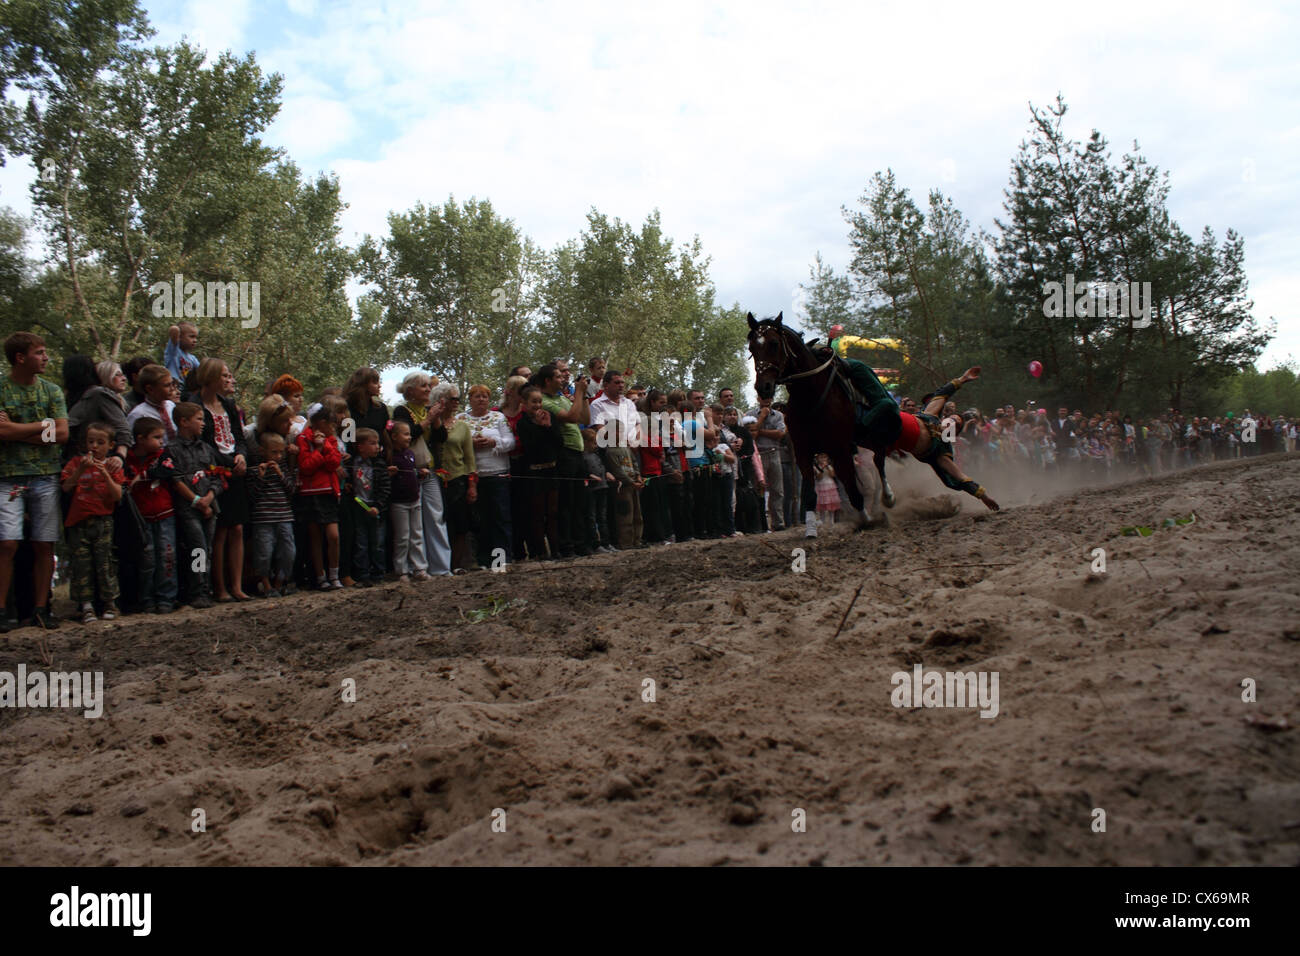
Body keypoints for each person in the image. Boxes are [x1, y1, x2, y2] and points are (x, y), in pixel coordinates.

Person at [0, 333, 68, 630]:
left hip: (46, 476)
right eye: (39, 352)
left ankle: (42, 608)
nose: (46, 357)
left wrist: (14, 428)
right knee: (7, 544)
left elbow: (63, 434)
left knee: (45, 543)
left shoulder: (51, 391)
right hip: (7, 478)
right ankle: (2, 610)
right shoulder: (1, 388)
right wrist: (42, 429)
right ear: (20, 357)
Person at [193, 358, 250, 601]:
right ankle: (219, 587)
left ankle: (236, 586)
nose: (230, 380)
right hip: (211, 475)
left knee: (237, 527)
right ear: (212, 377)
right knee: (219, 531)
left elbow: (239, 435)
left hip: (235, 471)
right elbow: (201, 442)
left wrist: (241, 456)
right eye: (225, 376)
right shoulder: (193, 403)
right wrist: (226, 463)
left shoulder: (228, 404)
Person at [61, 421, 124, 622]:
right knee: (82, 565)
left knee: (105, 562)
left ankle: (109, 603)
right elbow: (66, 487)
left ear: (110, 445)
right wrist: (80, 470)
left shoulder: (113, 466)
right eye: (90, 442)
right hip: (79, 521)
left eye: (100, 442)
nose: (94, 446)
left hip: (103, 521)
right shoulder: (74, 464)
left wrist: (104, 472)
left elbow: (117, 495)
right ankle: (86, 605)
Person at [393, 372, 452, 576]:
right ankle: (415, 568)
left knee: (436, 518)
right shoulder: (402, 411)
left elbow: (442, 437)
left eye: (429, 386)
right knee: (413, 525)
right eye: (423, 386)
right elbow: (408, 436)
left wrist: (435, 419)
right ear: (410, 391)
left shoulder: (429, 410)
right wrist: (428, 420)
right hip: (410, 472)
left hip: (431, 470)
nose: (428, 389)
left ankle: (442, 568)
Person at [534, 363, 590, 557]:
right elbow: (572, 417)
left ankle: (581, 544)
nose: (562, 379)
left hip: (578, 452)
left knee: (579, 502)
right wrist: (580, 393)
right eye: (558, 377)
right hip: (563, 453)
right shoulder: (544, 401)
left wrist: (584, 395)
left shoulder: (562, 397)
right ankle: (566, 546)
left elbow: (584, 417)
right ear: (547, 380)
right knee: (565, 504)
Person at [168, 402, 221, 609]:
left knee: (207, 547)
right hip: (189, 510)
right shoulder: (172, 450)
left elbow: (217, 475)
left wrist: (210, 496)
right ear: (183, 422)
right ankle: (196, 590)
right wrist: (197, 501)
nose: (203, 424)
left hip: (210, 507)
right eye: (199, 419)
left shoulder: (206, 448)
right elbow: (176, 480)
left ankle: (206, 587)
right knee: (197, 549)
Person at [124, 417, 179, 613]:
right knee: (147, 559)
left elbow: (167, 470)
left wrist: (144, 476)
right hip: (142, 517)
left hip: (165, 513)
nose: (161, 441)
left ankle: (167, 597)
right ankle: (146, 598)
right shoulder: (126, 459)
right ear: (140, 439)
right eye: (156, 437)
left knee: (168, 556)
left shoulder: (163, 454)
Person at [459, 384, 514, 568]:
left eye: (484, 396)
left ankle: (501, 561)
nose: (481, 399)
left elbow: (510, 442)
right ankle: (482, 560)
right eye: (477, 396)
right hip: (472, 476)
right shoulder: (461, 419)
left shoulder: (498, 417)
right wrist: (470, 444)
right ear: (470, 399)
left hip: (497, 475)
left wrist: (493, 442)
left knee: (500, 518)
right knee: (479, 520)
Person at [296, 404, 343, 589]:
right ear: (323, 423)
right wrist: (317, 450)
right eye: (332, 423)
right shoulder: (303, 438)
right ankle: (320, 576)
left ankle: (334, 574)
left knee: (333, 536)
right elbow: (306, 467)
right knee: (315, 537)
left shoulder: (331, 439)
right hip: (310, 493)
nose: (334, 428)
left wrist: (323, 448)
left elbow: (334, 463)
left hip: (329, 492)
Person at [516, 384, 565, 559]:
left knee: (553, 512)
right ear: (525, 403)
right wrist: (539, 427)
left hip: (552, 470)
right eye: (533, 402)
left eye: (539, 401)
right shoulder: (523, 423)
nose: (537, 405)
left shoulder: (549, 417)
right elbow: (532, 448)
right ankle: (540, 551)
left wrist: (548, 426)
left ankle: (556, 549)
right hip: (534, 473)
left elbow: (559, 443)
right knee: (537, 514)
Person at [248, 430, 297, 597]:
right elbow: (251, 496)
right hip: (263, 517)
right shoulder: (255, 470)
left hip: (284, 515)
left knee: (288, 551)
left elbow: (292, 490)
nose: (278, 456)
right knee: (264, 552)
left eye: (281, 452)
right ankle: (266, 584)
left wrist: (281, 474)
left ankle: (280, 582)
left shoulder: (283, 469)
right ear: (263, 451)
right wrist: (260, 477)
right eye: (274, 452)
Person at [345, 427, 389, 586]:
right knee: (361, 542)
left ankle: (378, 573)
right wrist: (348, 485)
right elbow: (348, 482)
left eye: (377, 443)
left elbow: (385, 487)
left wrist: (378, 505)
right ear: (360, 446)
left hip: (376, 509)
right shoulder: (351, 463)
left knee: (377, 542)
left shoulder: (379, 464)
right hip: (359, 506)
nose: (377, 446)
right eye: (372, 443)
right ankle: (362, 574)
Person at [65, 357, 131, 462]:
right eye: (117, 375)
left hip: (103, 463)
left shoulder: (98, 395)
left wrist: (120, 456)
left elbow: (122, 428)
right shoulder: (77, 398)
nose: (124, 378)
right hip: (79, 464)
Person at [387, 421, 428, 581]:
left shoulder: (410, 454)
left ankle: (419, 568)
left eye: (410, 434)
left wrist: (420, 474)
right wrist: (388, 473)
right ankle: (401, 570)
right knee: (402, 537)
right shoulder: (390, 456)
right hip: (399, 503)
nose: (409, 437)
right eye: (405, 434)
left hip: (414, 499)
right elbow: (385, 478)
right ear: (394, 436)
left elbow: (411, 475)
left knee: (417, 535)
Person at [745, 396, 786, 531]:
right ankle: (760, 524)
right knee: (759, 489)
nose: (766, 400)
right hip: (758, 454)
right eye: (763, 397)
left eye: (768, 397)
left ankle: (778, 523)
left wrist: (759, 430)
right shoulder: (750, 414)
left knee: (777, 491)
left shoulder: (779, 415)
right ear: (757, 398)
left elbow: (780, 433)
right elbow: (751, 435)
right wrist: (762, 417)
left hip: (774, 452)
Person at [126, 364, 177, 444]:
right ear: (150, 389)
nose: (172, 389)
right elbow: (132, 442)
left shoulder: (171, 405)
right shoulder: (138, 415)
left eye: (172, 384)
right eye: (167, 385)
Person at [165, 322, 201, 388]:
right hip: (173, 387)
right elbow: (174, 329)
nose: (195, 340)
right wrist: (177, 336)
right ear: (179, 337)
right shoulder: (173, 352)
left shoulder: (192, 358)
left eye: (196, 337)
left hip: (186, 390)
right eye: (191, 336)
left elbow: (202, 370)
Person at [812, 452, 840, 530]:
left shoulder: (830, 466)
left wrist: (827, 467)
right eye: (821, 457)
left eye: (825, 457)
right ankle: (822, 522)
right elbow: (819, 477)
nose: (823, 459)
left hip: (830, 486)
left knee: (831, 506)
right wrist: (821, 469)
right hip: (821, 486)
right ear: (817, 459)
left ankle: (831, 523)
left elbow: (833, 475)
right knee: (822, 506)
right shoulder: (815, 467)